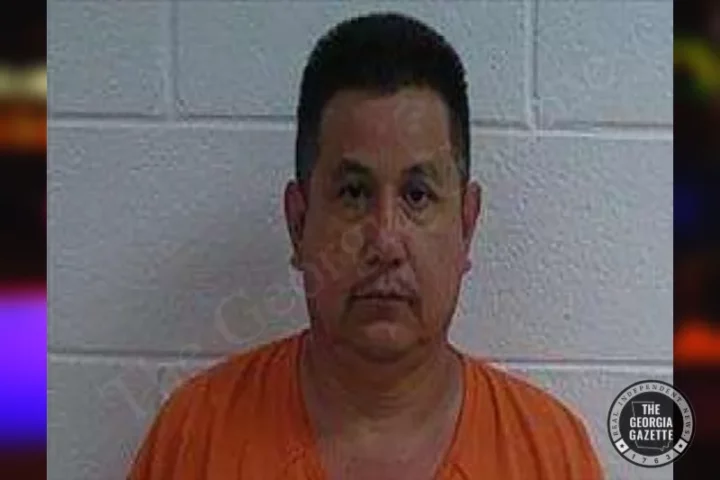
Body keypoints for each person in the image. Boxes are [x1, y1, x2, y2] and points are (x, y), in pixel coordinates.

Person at [128, 12, 605, 480]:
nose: (385, 241)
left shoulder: (550, 456)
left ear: (466, 225)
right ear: (298, 223)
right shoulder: (194, 441)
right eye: (354, 193)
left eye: (417, 196)